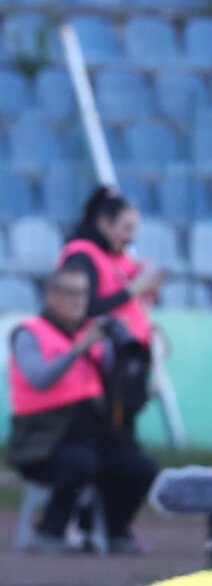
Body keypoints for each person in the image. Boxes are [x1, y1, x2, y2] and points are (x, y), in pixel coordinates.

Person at [5, 267, 160, 554]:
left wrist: (128, 353)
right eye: (71, 293)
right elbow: (39, 378)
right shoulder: (29, 333)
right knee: (80, 462)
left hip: (88, 437)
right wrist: (79, 348)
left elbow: (115, 381)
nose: (79, 300)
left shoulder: (94, 333)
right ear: (50, 296)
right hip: (40, 442)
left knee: (141, 467)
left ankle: (114, 532)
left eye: (84, 294)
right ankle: (48, 531)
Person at [58, 186, 165, 443]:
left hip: (127, 362)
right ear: (105, 222)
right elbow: (82, 309)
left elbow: (130, 300)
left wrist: (148, 290)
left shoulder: (116, 256)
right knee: (107, 439)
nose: (130, 238)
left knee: (123, 435)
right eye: (126, 228)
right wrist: (132, 290)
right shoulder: (81, 255)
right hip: (99, 367)